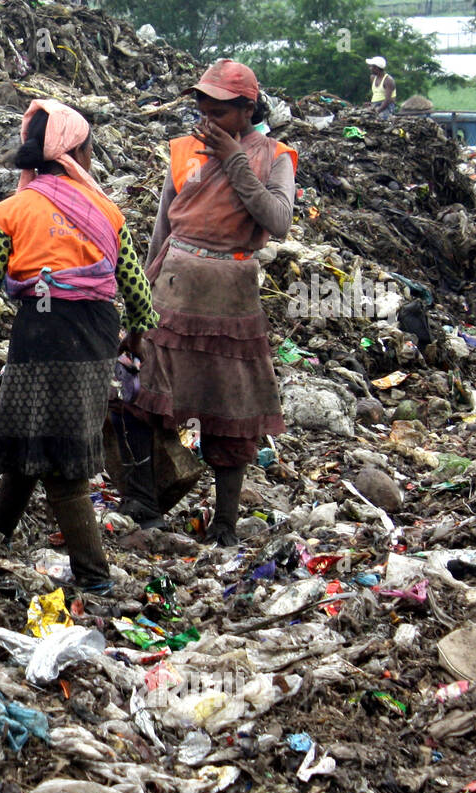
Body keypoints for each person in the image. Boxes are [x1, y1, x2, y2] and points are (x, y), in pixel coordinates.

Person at [0, 99, 158, 586]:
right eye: (90, 149)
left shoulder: (9, 212)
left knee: (58, 459)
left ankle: (93, 575)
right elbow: (136, 289)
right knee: (39, 441)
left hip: (41, 333)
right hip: (93, 336)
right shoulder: (108, 212)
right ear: (75, 154)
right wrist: (136, 332)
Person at [119, 59, 297, 547]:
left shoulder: (274, 156)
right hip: (173, 286)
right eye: (202, 106)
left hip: (230, 297)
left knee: (230, 406)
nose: (207, 117)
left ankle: (224, 521)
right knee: (139, 393)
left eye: (220, 110)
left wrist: (233, 160)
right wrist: (140, 298)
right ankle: (142, 502)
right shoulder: (181, 152)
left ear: (247, 110)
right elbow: (162, 229)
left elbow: (277, 220)